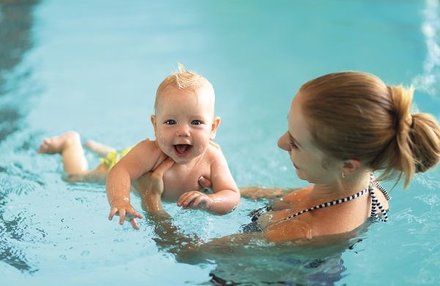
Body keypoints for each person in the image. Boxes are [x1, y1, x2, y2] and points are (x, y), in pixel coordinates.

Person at [141, 71, 440, 248]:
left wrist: (152, 202)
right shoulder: (366, 183)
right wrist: (223, 193)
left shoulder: (300, 232)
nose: (280, 142)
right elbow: (294, 198)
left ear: (348, 164)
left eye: (295, 143)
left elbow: (189, 253)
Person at [38, 65, 240, 229]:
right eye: (170, 122)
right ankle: (70, 143)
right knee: (76, 178)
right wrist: (120, 200)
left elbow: (231, 194)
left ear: (213, 127)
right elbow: (120, 170)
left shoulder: (213, 157)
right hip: (124, 161)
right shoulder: (151, 151)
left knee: (129, 158)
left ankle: (100, 148)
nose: (183, 131)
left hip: (135, 160)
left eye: (196, 122)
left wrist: (210, 201)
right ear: (155, 125)